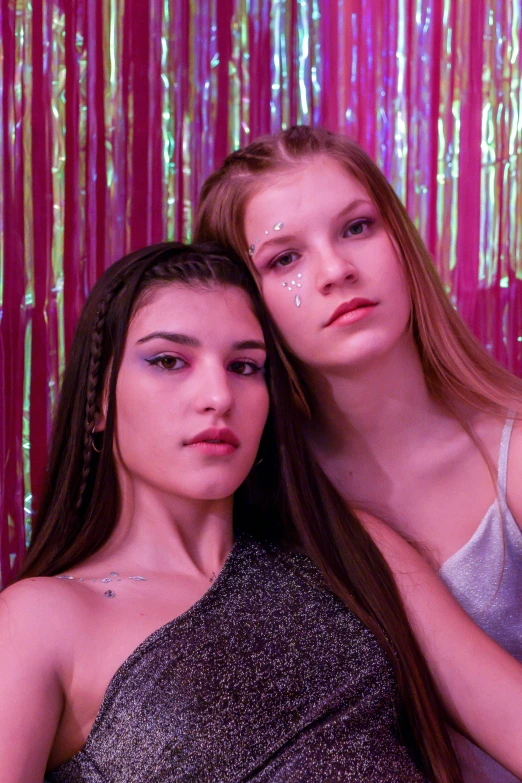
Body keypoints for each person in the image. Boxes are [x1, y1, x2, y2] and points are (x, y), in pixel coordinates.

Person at [0, 243, 520, 783]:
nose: (218, 395)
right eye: (169, 361)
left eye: (245, 366)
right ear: (98, 400)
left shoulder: (349, 549)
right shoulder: (36, 621)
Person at [195, 125, 522, 782]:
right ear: (242, 304)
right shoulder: (253, 506)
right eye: (284, 259)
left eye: (356, 228)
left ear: (400, 240)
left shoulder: (509, 444)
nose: (336, 270)